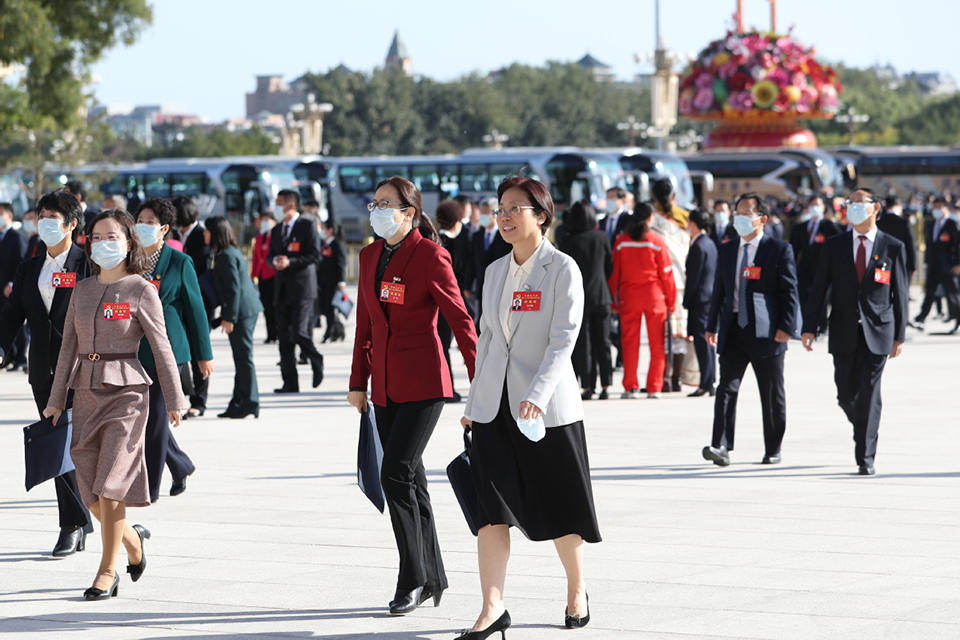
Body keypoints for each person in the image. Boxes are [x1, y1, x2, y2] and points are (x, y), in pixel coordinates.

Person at [460, 176, 600, 638]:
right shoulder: (495, 271)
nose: (503, 216)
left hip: (545, 411)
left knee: (560, 506)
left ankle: (577, 589)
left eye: (515, 208)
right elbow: (487, 341)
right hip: (495, 408)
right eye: (500, 208)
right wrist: (474, 399)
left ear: (540, 215)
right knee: (490, 510)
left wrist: (535, 397)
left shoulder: (562, 269)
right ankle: (492, 607)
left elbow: (564, 342)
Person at [347, 176, 478, 616]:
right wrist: (356, 382)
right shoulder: (368, 256)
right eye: (375, 203)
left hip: (424, 384)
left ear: (409, 212)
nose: (378, 210)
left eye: (387, 204)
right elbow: (364, 324)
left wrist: (478, 382)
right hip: (384, 385)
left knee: (394, 475)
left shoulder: (429, 254)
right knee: (413, 481)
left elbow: (460, 320)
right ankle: (431, 575)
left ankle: (411, 578)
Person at [43, 208, 187, 600]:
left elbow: (161, 348)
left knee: (110, 487)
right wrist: (57, 399)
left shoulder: (142, 289)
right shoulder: (83, 289)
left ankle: (107, 571)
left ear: (128, 243)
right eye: (97, 237)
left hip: (127, 395)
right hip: (86, 392)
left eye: (112, 237)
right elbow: (67, 348)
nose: (103, 243)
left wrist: (175, 398)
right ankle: (133, 540)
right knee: (88, 488)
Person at [0, 190, 94, 556]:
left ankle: (96, 517)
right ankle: (72, 523)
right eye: (41, 215)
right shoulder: (29, 269)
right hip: (45, 372)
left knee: (86, 448)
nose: (45, 223)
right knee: (60, 447)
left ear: (71, 224)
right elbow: (11, 317)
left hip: (86, 369)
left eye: (53, 217)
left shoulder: (88, 266)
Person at [801, 188, 909, 475]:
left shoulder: (892, 246)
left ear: (875, 209)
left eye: (860, 202)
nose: (854, 207)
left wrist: (900, 334)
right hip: (843, 329)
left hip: (879, 331)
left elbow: (900, 292)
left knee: (871, 393)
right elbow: (819, 289)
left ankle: (866, 456)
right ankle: (864, 425)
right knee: (845, 395)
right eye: (850, 203)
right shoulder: (835, 245)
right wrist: (809, 327)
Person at [703, 192, 800, 467]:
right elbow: (719, 291)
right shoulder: (727, 248)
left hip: (767, 331)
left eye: (748, 213)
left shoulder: (779, 249)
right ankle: (720, 445)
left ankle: (773, 447)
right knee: (726, 388)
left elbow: (789, 292)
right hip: (734, 328)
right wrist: (712, 325)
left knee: (771, 392)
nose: (741, 218)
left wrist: (786, 327)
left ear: (762, 219)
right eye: (738, 213)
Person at [134, 198, 213, 501]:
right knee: (138, 419)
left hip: (167, 352)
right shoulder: (127, 260)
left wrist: (204, 354)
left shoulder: (180, 262)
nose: (142, 225)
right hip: (131, 351)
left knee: (154, 421)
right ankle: (180, 464)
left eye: (150, 221)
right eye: (139, 219)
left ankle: (149, 489)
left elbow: (196, 311)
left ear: (164, 228)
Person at [608, 202, 677, 399]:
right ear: (650, 218)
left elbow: (615, 275)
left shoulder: (621, 241)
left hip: (630, 298)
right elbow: (667, 274)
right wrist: (671, 302)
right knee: (657, 344)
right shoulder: (657, 241)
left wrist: (613, 302)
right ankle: (654, 387)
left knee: (629, 343)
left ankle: (630, 387)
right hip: (655, 298)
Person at [205, 216, 263, 419]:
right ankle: (239, 401)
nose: (205, 234)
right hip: (242, 310)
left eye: (207, 230)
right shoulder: (225, 252)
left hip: (243, 312)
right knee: (241, 358)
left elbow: (233, 289)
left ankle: (250, 402)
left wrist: (229, 317)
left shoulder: (227, 255)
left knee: (244, 358)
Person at [268, 189, 325, 393]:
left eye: (279, 203)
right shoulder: (276, 230)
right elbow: (271, 255)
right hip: (281, 289)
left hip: (302, 289)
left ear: (290, 205)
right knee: (283, 338)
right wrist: (274, 261)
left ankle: (315, 358)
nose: (275, 207)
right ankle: (290, 383)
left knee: (299, 332)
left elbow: (315, 256)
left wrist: (290, 262)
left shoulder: (307, 226)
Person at [557, 200, 614, 400]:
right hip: (601, 295)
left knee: (583, 344)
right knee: (604, 341)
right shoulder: (601, 237)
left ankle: (587, 386)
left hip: (579, 298)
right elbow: (609, 265)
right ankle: (606, 384)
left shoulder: (567, 241)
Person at [172, 196, 212, 419]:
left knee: (199, 352)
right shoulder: (173, 234)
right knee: (178, 352)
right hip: (176, 303)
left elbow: (202, 266)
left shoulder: (201, 235)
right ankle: (181, 399)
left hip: (198, 300)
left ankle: (199, 401)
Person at [434, 199, 473, 403]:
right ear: (456, 221)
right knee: (466, 341)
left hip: (436, 303)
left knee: (441, 345)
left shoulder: (432, 241)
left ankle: (445, 386)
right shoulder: (458, 242)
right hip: (454, 300)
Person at [789, 195, 841, 335]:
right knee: (804, 296)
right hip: (804, 268)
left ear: (823, 207)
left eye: (817, 204)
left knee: (822, 297)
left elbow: (838, 248)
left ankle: (822, 326)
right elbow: (793, 249)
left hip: (823, 267)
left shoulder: (830, 227)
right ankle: (808, 325)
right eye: (812, 204)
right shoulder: (800, 228)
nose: (814, 207)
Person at [684, 207, 718, 397]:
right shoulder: (710, 243)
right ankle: (709, 380)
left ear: (694, 224)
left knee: (702, 341)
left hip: (699, 299)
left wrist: (686, 300)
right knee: (708, 340)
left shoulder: (698, 246)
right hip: (709, 298)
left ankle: (706, 382)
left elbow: (693, 277)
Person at [913, 197, 960, 333]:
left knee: (952, 293)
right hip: (934, 265)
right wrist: (927, 262)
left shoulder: (952, 224)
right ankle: (921, 318)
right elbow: (929, 245)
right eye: (935, 207)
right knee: (929, 292)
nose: (937, 210)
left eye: (940, 207)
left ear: (946, 208)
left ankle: (957, 319)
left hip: (948, 265)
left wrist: (958, 263)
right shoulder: (931, 225)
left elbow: (958, 245)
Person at [468, 197, 511, 325]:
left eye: (486, 213)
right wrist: (468, 285)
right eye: (482, 212)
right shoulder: (476, 236)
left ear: (495, 214)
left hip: (501, 282)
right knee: (482, 317)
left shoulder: (505, 236)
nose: (483, 216)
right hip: (482, 283)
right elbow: (472, 261)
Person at [0, 202, 29, 371]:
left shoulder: (17, 236)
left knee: (16, 322)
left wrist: (12, 283)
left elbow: (21, 261)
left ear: (9, 216)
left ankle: (20, 359)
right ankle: (7, 356)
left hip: (10, 287)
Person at [250, 212, 279, 344]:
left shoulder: (276, 237)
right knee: (266, 307)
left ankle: (278, 333)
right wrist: (253, 275)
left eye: (268, 220)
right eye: (264, 219)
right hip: (262, 276)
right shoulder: (259, 238)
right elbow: (256, 258)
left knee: (275, 306)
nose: (265, 222)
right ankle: (271, 334)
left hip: (273, 275)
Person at [318, 219, 348, 343]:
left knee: (330, 308)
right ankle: (338, 329)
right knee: (323, 308)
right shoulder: (323, 244)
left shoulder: (337, 244)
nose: (322, 231)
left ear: (331, 230)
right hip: (322, 282)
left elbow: (341, 264)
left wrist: (341, 281)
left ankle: (329, 333)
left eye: (324, 228)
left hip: (333, 282)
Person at [877, 195, 917, 282]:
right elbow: (911, 245)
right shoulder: (905, 223)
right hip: (902, 262)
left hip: (882, 263)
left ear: (886, 207)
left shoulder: (879, 223)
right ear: (899, 204)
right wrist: (913, 266)